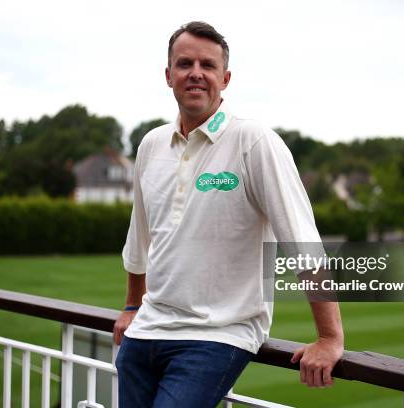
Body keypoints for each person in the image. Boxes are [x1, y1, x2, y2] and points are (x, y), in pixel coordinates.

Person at [114, 21, 344, 408]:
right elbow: (139, 238)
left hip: (216, 336)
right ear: (168, 75)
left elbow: (302, 241)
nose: (196, 74)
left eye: (208, 65)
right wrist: (133, 305)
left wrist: (329, 338)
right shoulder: (151, 145)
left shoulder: (254, 142)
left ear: (226, 77)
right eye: (185, 64)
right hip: (145, 333)